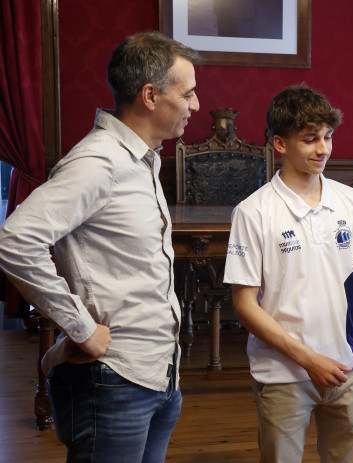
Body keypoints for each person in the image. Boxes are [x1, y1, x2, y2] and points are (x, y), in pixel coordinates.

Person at [0, 32, 200, 462]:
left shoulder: (143, 159)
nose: (196, 105)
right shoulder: (98, 163)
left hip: (157, 374)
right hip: (113, 383)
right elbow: (14, 241)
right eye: (189, 93)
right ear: (150, 95)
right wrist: (82, 328)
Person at [222, 84, 353, 462]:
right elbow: (245, 305)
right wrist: (309, 359)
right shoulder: (253, 211)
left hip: (348, 366)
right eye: (310, 139)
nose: (323, 149)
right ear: (280, 144)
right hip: (283, 372)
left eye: (328, 137)